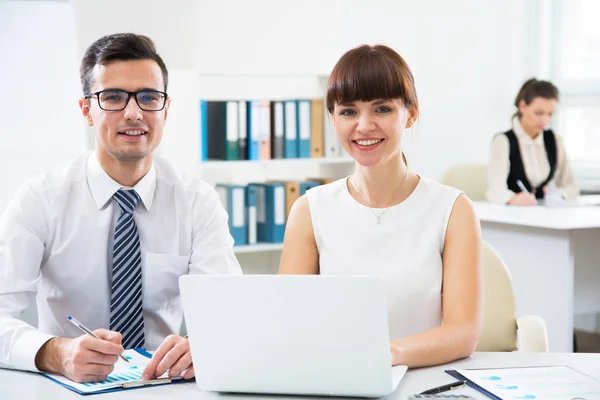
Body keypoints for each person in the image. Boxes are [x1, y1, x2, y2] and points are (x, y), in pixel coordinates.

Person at [0, 33, 242, 383]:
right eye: (113, 97)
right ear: (87, 110)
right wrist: (56, 353)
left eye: (148, 98)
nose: (133, 113)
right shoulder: (40, 199)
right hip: (67, 387)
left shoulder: (197, 201)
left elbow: (229, 310)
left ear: (166, 108)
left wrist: (200, 344)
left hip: (165, 385)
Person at [278, 45, 482, 368]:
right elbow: (289, 321)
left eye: (382, 109)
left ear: (410, 114)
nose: (364, 125)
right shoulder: (309, 210)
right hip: (335, 380)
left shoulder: (453, 210)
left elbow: (463, 332)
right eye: (348, 112)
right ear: (332, 118)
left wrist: (384, 355)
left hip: (426, 383)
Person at [487, 78, 579, 205]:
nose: (545, 120)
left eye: (550, 114)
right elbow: (495, 190)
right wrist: (512, 198)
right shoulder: (503, 141)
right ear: (522, 106)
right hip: (513, 216)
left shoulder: (555, 140)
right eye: (538, 113)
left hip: (545, 215)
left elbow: (571, 186)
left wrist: (560, 194)